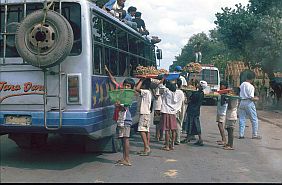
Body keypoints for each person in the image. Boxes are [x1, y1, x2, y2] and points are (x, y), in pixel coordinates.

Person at [105, 65, 135, 166]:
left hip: (125, 119)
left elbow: (125, 106)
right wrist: (108, 71)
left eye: (128, 86)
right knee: (123, 139)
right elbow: (113, 81)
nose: (126, 87)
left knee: (125, 139)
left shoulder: (129, 95)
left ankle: (127, 159)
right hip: (121, 120)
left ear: (131, 88)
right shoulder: (121, 91)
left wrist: (118, 104)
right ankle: (124, 158)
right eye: (125, 85)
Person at [160, 80, 183, 151]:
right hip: (174, 113)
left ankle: (167, 145)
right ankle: (172, 145)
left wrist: (164, 78)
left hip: (166, 112)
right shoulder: (179, 93)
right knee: (173, 130)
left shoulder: (167, 92)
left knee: (167, 130)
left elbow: (160, 86)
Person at [239, 72, 262, 139]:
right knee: (254, 119)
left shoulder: (242, 84)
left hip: (242, 102)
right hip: (249, 103)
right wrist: (257, 98)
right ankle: (254, 135)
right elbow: (251, 98)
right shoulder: (251, 86)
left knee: (242, 119)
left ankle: (241, 134)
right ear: (252, 79)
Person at [185, 80, 207, 146]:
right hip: (196, 110)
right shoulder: (201, 93)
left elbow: (190, 99)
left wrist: (187, 92)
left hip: (192, 110)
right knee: (196, 124)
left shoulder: (196, 94)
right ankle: (198, 139)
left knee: (190, 124)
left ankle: (189, 137)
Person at [135, 78, 152, 156]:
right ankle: (146, 147)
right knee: (146, 130)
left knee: (141, 130)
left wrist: (141, 80)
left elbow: (136, 88)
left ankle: (146, 147)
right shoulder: (149, 92)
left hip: (144, 113)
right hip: (147, 113)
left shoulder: (145, 91)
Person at [216, 81, 228, 146]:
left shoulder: (225, 93)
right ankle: (223, 138)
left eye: (222, 85)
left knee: (220, 124)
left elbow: (223, 102)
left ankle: (224, 139)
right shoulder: (221, 93)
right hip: (220, 110)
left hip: (222, 111)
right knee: (219, 124)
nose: (220, 86)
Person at [175, 78, 187, 145]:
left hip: (176, 109)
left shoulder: (177, 92)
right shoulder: (182, 93)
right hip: (181, 109)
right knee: (179, 124)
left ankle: (176, 139)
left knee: (176, 124)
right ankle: (177, 139)